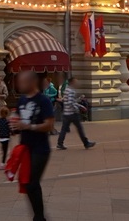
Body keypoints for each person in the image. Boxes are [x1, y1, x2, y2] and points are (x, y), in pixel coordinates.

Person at [11, 70, 55, 221]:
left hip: (40, 148)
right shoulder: (21, 100)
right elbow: (18, 119)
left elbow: (49, 125)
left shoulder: (43, 101)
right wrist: (15, 126)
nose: (20, 85)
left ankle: (39, 217)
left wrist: (29, 127)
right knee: (27, 182)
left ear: (32, 82)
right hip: (25, 148)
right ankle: (39, 216)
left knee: (31, 182)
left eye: (23, 82)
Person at [56, 77, 95, 150]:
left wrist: (80, 105)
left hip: (66, 113)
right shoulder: (71, 91)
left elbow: (70, 101)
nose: (77, 84)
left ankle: (60, 143)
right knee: (79, 128)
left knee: (64, 129)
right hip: (72, 113)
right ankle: (86, 143)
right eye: (76, 82)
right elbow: (71, 102)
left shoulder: (67, 90)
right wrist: (77, 108)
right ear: (72, 83)